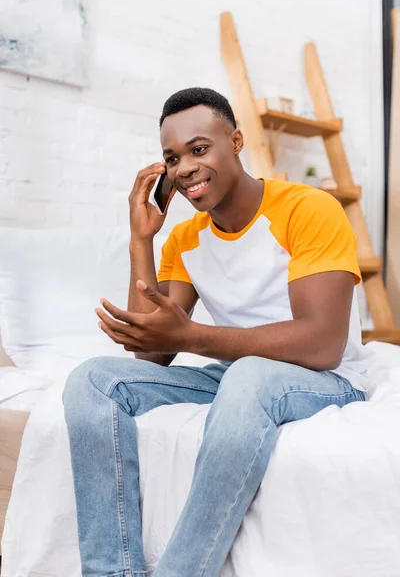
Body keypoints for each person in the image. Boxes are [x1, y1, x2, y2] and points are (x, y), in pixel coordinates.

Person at [62, 87, 370, 577]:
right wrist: (143, 236)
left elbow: (323, 343)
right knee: (93, 380)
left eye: (199, 149)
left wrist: (195, 338)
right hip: (236, 376)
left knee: (247, 375)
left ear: (236, 142)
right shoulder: (184, 238)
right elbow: (153, 353)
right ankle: (110, 572)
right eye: (172, 158)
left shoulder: (308, 209)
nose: (184, 168)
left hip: (325, 378)